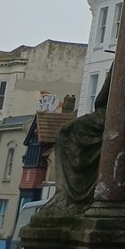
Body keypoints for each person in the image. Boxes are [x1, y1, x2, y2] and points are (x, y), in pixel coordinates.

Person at [41, 66, 112, 211]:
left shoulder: (120, 63)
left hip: (109, 115)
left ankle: (68, 194)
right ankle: (69, 192)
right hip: (116, 115)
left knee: (63, 133)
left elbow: (100, 100)